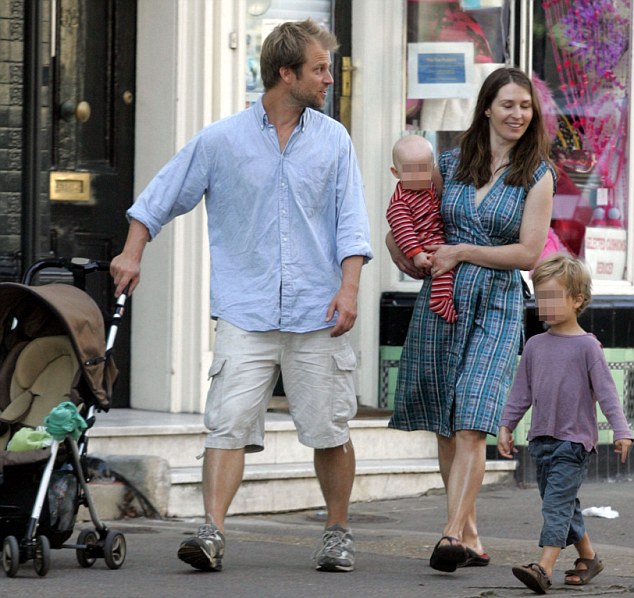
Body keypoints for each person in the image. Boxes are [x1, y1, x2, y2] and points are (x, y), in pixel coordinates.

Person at [110, 18, 373, 573]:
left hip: (318, 310)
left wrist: (349, 288)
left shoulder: (335, 141)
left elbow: (352, 223)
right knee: (226, 423)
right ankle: (211, 533)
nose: (329, 79)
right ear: (286, 73)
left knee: (328, 427)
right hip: (244, 309)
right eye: (319, 69)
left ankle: (337, 531)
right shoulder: (221, 139)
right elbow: (159, 197)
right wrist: (132, 252)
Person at [386, 66, 555, 572]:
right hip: (442, 301)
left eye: (525, 106)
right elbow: (411, 213)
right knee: (445, 421)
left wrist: (461, 250)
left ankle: (449, 533)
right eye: (508, 105)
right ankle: (472, 535)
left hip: (497, 304)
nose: (517, 114)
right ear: (486, 108)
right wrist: (404, 250)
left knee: (473, 422)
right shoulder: (449, 163)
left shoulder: (538, 175)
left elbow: (527, 254)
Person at [498, 254, 633, 594]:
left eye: (553, 297)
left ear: (578, 300)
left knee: (556, 504)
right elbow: (520, 392)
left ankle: (543, 566)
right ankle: (588, 557)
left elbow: (607, 394)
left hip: (574, 443)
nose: (545, 304)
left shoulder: (588, 347)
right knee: (563, 503)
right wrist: (506, 425)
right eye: (540, 297)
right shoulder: (534, 345)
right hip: (541, 439)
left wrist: (621, 431)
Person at [386, 135, 457, 323]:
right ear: (396, 172)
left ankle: (444, 297)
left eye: (423, 170)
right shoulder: (400, 202)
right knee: (443, 269)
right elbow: (403, 231)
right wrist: (417, 254)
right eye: (411, 171)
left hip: (436, 237)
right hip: (423, 246)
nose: (418, 176)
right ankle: (440, 300)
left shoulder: (429, 188)